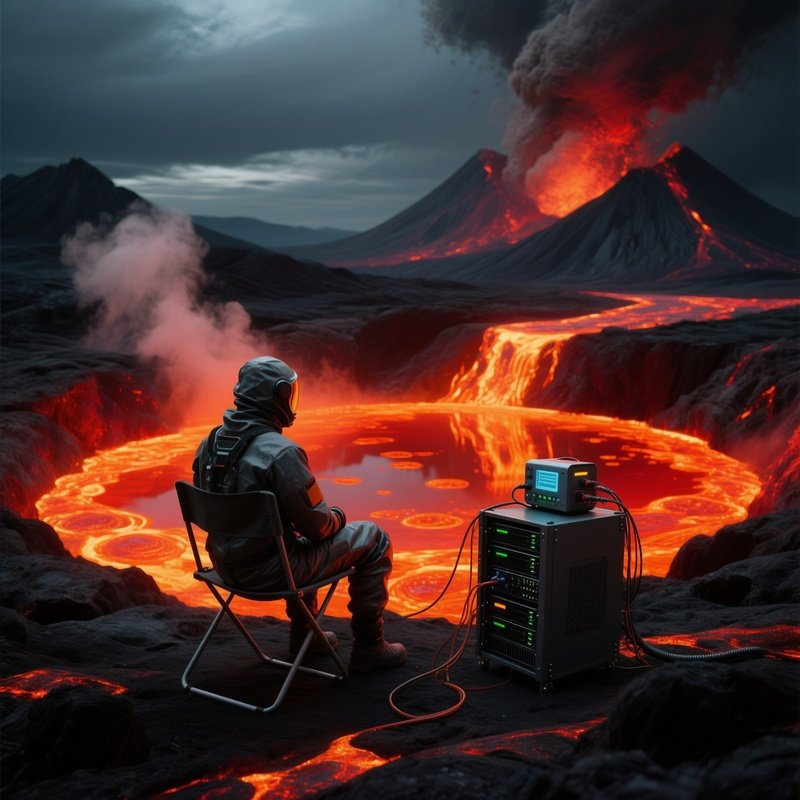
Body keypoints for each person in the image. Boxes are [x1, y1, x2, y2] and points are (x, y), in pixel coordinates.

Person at [192, 355, 406, 672]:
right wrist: (339, 516)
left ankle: (306, 637)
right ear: (278, 396)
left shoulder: (208, 443)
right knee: (375, 539)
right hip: (271, 573)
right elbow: (319, 526)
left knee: (290, 539)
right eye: (289, 393)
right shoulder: (281, 453)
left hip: (224, 565)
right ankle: (369, 646)